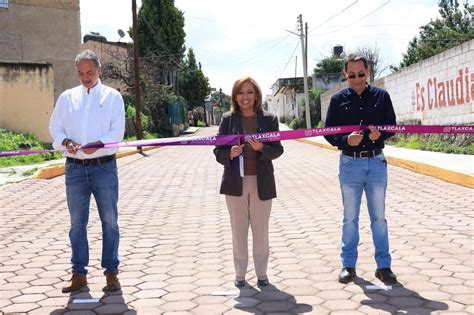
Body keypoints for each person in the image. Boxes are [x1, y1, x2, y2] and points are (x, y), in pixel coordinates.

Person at [49, 50, 125, 293]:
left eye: (90, 72)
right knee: (76, 224)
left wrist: (98, 145)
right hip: (74, 170)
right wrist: (66, 141)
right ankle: (79, 274)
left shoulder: (113, 97)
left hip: (104, 168)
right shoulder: (66, 98)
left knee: (110, 222)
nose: (85, 77)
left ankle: (111, 272)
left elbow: (117, 131)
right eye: (81, 73)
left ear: (99, 70)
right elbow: (55, 127)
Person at [324, 53, 398, 284]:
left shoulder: (381, 96)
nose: (356, 79)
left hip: (376, 162)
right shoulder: (337, 100)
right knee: (350, 217)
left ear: (369, 73)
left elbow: (392, 126)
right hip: (349, 163)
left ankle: (383, 266)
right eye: (352, 75)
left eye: (361, 74)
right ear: (345, 74)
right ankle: (348, 265)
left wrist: (382, 134)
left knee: (379, 218)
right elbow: (329, 132)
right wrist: (346, 140)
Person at [214, 76, 284, 288]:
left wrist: (262, 148)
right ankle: (240, 275)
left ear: (257, 95)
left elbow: (278, 149)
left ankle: (262, 274)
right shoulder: (228, 119)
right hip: (236, 184)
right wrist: (230, 154)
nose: (245, 97)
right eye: (240, 93)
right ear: (235, 96)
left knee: (260, 230)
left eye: (250, 92)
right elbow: (218, 151)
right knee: (239, 230)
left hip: (261, 182)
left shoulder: (269, 119)